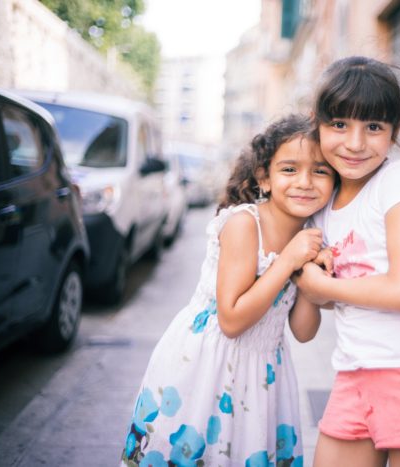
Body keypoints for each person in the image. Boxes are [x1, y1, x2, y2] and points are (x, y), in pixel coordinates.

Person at [119, 114, 335, 467]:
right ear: (264, 177)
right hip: (207, 368)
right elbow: (231, 320)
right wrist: (287, 261)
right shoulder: (243, 225)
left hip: (264, 373)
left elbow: (304, 331)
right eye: (289, 170)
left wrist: (309, 272)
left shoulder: (309, 235)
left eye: (321, 171)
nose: (305, 182)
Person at [295, 56, 400, 467]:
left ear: (393, 132)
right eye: (339, 124)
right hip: (355, 375)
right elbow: (305, 327)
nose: (355, 143)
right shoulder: (322, 206)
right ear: (316, 124)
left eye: (373, 127)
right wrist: (302, 269)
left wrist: (322, 287)